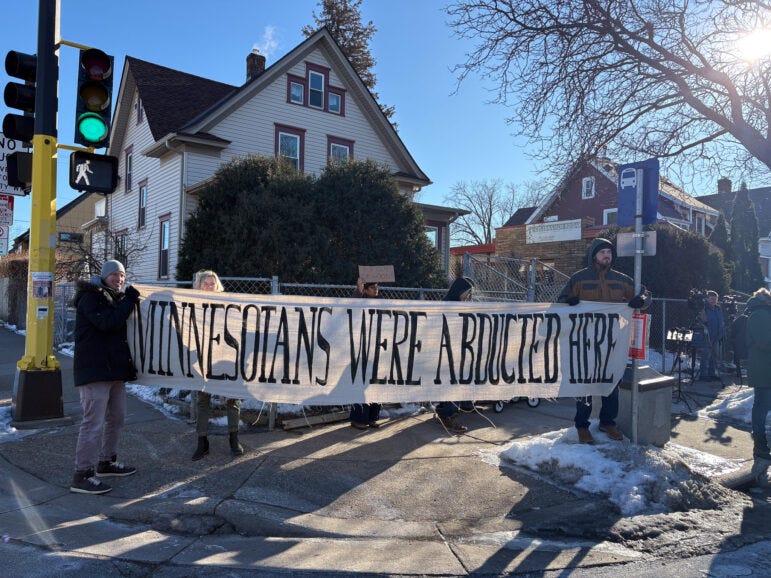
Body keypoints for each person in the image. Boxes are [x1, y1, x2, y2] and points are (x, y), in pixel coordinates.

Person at [557, 238, 649, 444]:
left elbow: (644, 294)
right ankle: (582, 425)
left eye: (609, 252)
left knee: (612, 382)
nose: (607, 256)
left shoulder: (622, 280)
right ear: (594, 255)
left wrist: (641, 300)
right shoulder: (579, 278)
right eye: (602, 252)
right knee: (585, 385)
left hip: (613, 340)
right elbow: (560, 301)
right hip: (585, 341)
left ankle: (608, 422)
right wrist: (568, 302)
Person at [70, 260, 140, 494]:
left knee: (117, 418)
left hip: (113, 371)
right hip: (94, 371)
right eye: (114, 275)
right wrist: (129, 301)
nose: (119, 279)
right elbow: (107, 323)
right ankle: (81, 474)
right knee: (93, 423)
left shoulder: (114, 298)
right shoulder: (91, 297)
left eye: (122, 275)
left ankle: (106, 461)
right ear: (104, 276)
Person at [191, 270, 245, 460]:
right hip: (203, 358)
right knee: (203, 399)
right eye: (205, 283)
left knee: (232, 398)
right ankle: (202, 441)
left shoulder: (228, 304)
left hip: (225, 357)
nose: (209, 286)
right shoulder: (193, 304)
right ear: (199, 285)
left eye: (212, 283)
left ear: (217, 285)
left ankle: (234, 439)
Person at [434, 277, 475, 435]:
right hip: (447, 351)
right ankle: (447, 415)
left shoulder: (458, 305)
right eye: (466, 292)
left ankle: (444, 410)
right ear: (459, 291)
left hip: (456, 349)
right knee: (451, 382)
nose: (467, 296)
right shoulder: (447, 305)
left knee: (452, 382)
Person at [349, 277, 383, 429]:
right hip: (362, 348)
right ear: (366, 289)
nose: (376, 290)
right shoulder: (360, 300)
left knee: (376, 383)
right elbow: (352, 307)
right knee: (361, 381)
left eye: (377, 287)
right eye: (373, 287)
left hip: (377, 347)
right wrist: (358, 290)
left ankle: (372, 417)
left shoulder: (380, 301)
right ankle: (358, 419)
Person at [745, 288, 771, 472]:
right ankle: (760, 445)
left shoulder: (760, 313)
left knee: (762, 405)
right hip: (763, 368)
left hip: (764, 367)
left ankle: (761, 444)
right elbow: (765, 341)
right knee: (762, 405)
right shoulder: (760, 314)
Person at [698, 290, 725, 381]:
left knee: (714, 356)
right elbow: (702, 321)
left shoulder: (718, 309)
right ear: (707, 299)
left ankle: (712, 373)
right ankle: (703, 375)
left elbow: (721, 321)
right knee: (705, 356)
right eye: (711, 299)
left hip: (717, 336)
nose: (714, 301)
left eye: (715, 299)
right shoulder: (704, 309)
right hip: (707, 336)